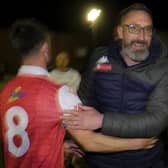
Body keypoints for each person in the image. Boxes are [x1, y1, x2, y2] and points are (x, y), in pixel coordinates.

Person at [0, 18, 156, 168]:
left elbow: (26, 137)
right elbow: (89, 142)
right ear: (45, 48)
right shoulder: (57, 93)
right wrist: (138, 143)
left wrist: (57, 147)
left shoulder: (6, 90)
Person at [63, 3, 168, 168]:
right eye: (133, 28)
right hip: (98, 160)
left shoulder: (162, 67)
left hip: (145, 162)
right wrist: (76, 137)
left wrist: (101, 121)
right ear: (120, 32)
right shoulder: (99, 57)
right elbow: (84, 101)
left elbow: (157, 120)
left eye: (147, 29)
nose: (142, 36)